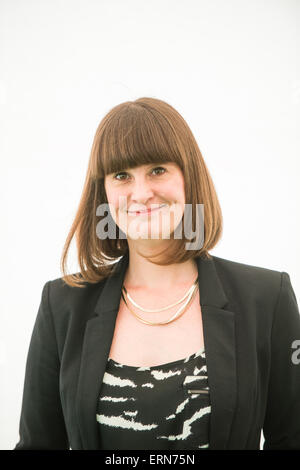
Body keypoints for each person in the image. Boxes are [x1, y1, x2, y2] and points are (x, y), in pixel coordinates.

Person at [14, 97, 300, 450]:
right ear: (103, 192)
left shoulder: (268, 298)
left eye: (157, 170)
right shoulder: (62, 305)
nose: (141, 193)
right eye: (121, 175)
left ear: (188, 177)